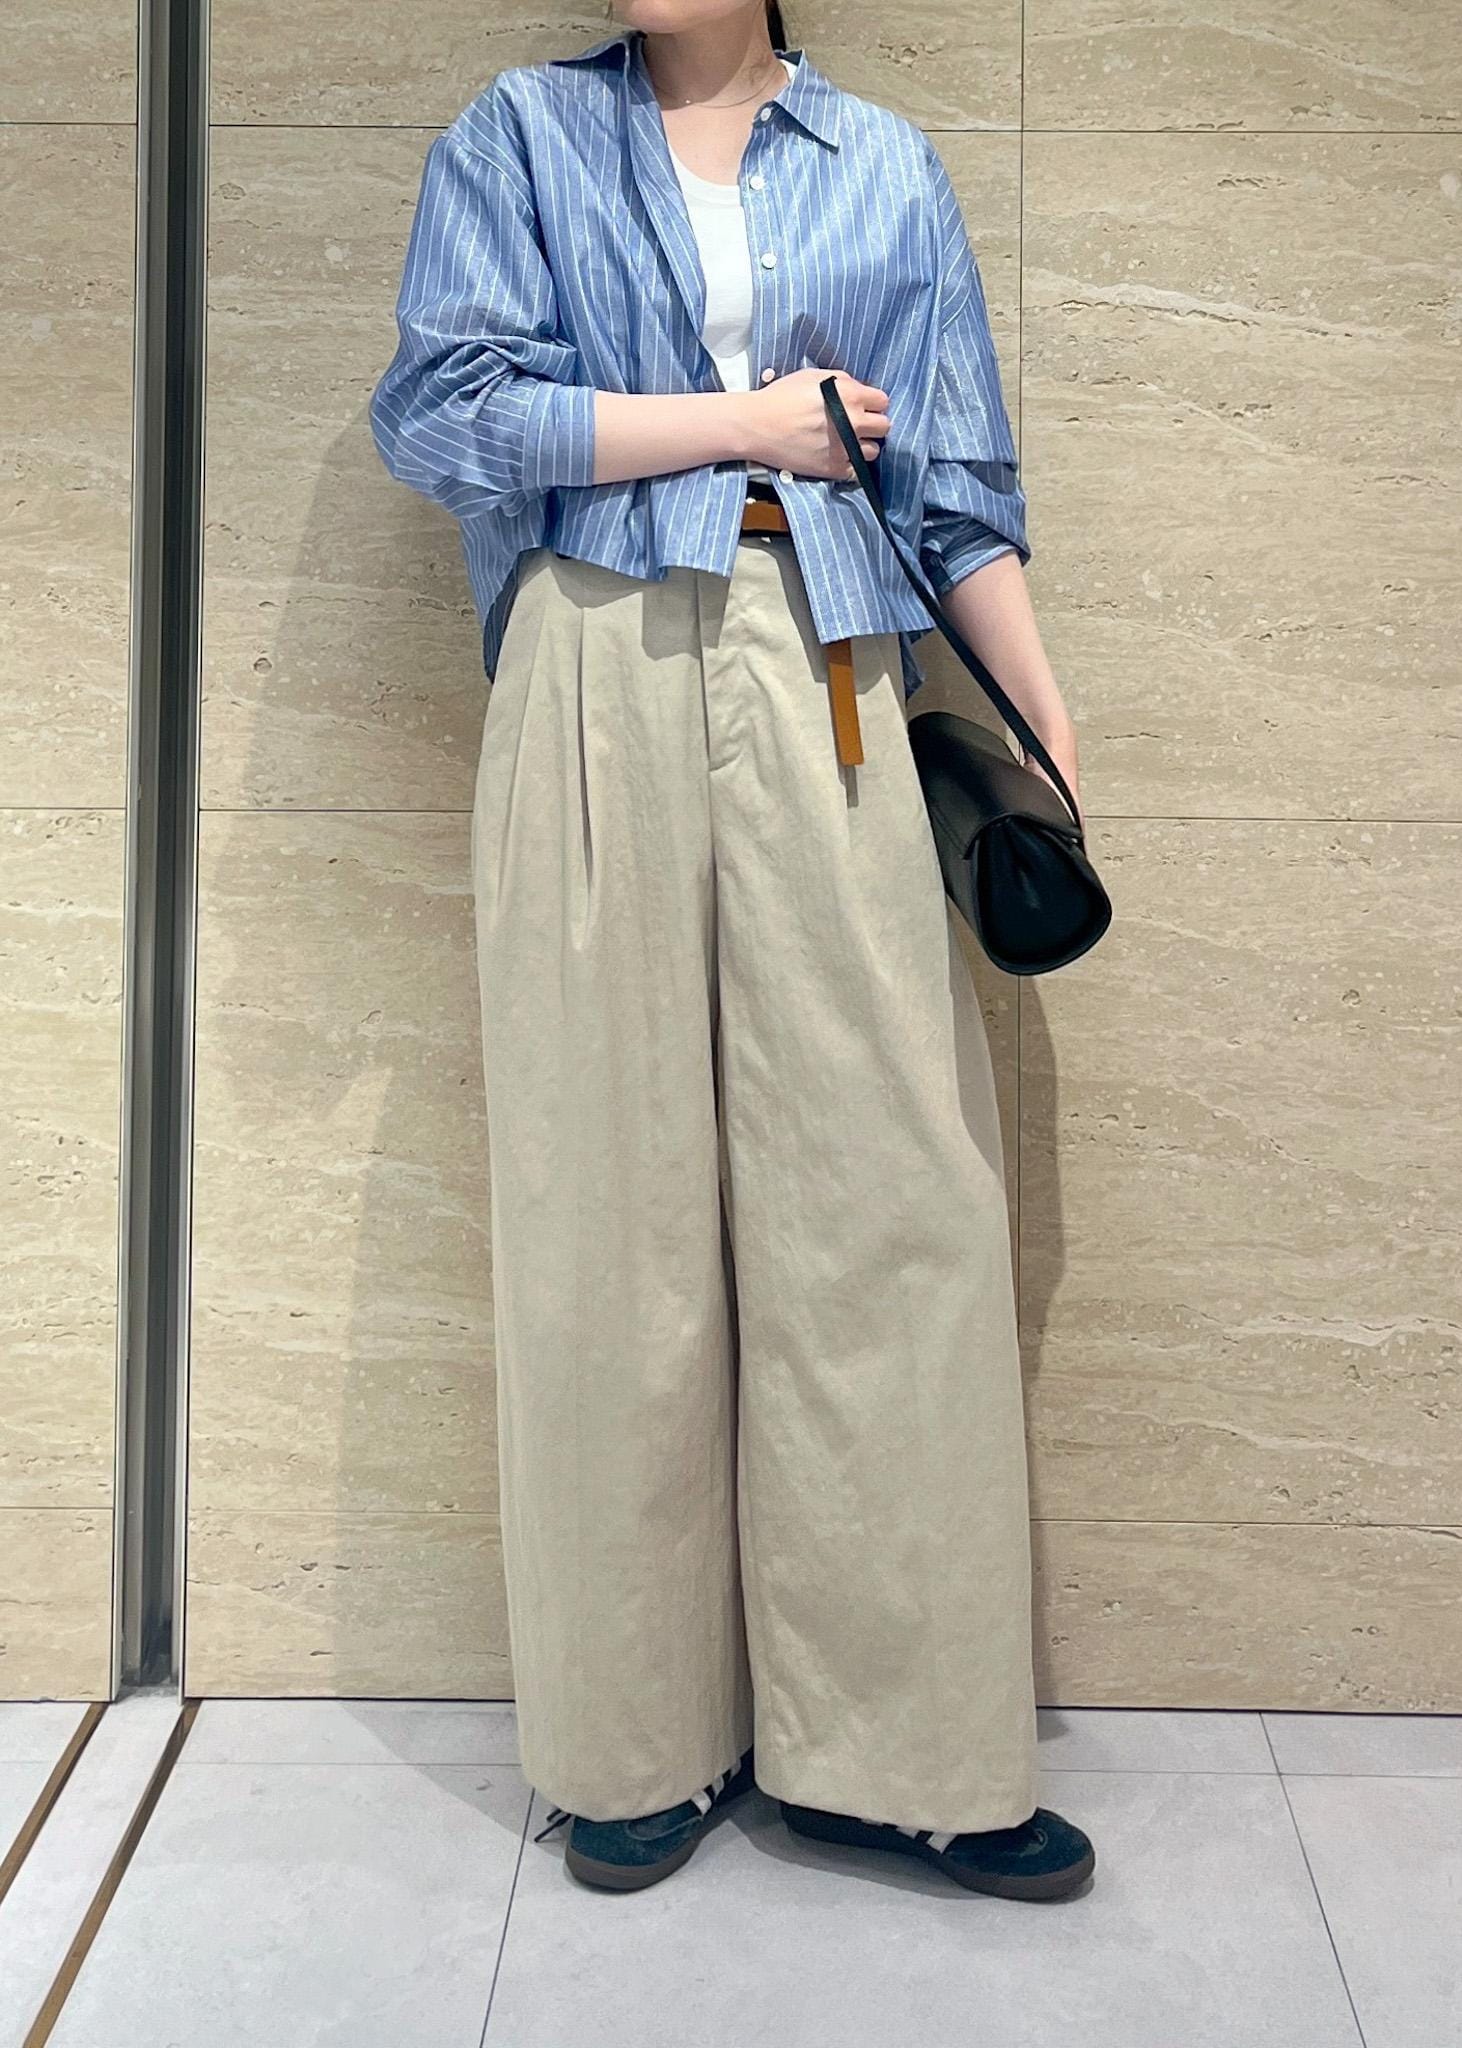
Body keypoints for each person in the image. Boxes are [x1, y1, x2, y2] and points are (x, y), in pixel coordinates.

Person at [369, 0, 1095, 1901]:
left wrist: (1039, 707)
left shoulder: (884, 167)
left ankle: (907, 1750)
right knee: (605, 1207)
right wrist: (751, 425)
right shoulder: (519, 134)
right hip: (591, 652)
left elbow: (955, 488)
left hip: (829, 663)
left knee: (888, 1196)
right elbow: (444, 416)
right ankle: (633, 1740)